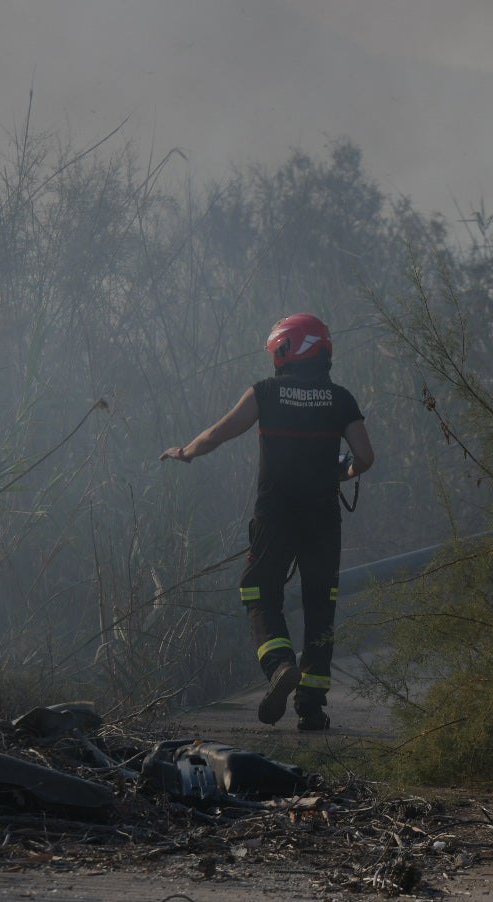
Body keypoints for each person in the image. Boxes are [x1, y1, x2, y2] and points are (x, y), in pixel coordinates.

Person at [160, 313, 374, 731]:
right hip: (323, 521)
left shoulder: (266, 392)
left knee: (258, 591)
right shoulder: (341, 399)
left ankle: (279, 665)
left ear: (285, 348)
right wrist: (342, 471)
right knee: (320, 606)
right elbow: (365, 457)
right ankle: (312, 708)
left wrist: (186, 452)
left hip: (276, 516)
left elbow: (219, 433)